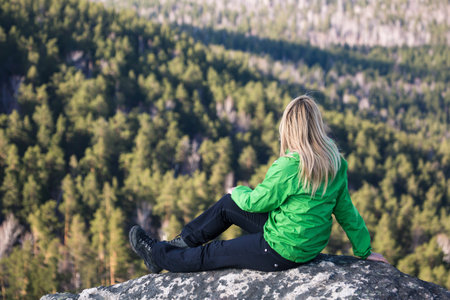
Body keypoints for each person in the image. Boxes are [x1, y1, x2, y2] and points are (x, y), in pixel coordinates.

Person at [129, 95, 389, 274]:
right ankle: (180, 244)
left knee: (214, 253)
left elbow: (256, 202)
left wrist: (238, 190)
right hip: (303, 242)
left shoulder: (290, 166)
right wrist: (364, 250)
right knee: (227, 206)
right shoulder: (334, 162)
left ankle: (159, 255)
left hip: (280, 251)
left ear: (289, 128)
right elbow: (347, 212)